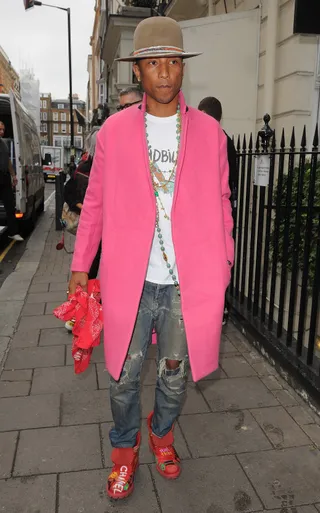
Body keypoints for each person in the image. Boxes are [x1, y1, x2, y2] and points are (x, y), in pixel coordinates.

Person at [69, 17, 233, 500]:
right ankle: (124, 452)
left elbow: (223, 203)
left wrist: (224, 263)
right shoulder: (113, 133)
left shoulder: (211, 135)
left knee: (175, 377)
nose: (165, 72)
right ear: (138, 70)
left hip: (187, 283)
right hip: (130, 282)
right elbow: (94, 201)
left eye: (174, 62)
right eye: (154, 62)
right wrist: (81, 264)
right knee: (122, 377)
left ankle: (162, 435)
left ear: (184, 70)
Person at [198, 96, 237, 325]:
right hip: (217, 214)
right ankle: (218, 306)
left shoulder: (218, 141)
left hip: (215, 215)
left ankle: (219, 307)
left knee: (216, 264)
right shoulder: (224, 140)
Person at [63, 127, 101, 332]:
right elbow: (68, 193)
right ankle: (78, 315)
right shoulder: (85, 168)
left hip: (110, 232)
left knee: (96, 275)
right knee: (88, 273)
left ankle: (89, 313)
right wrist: (85, 208)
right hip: (94, 231)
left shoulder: (107, 167)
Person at [0, 121, 23, 242]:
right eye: (0, 129)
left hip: (4, 178)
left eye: (3, 129)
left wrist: (13, 175)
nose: (2, 132)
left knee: (10, 206)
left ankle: (13, 232)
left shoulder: (4, 144)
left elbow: (8, 161)